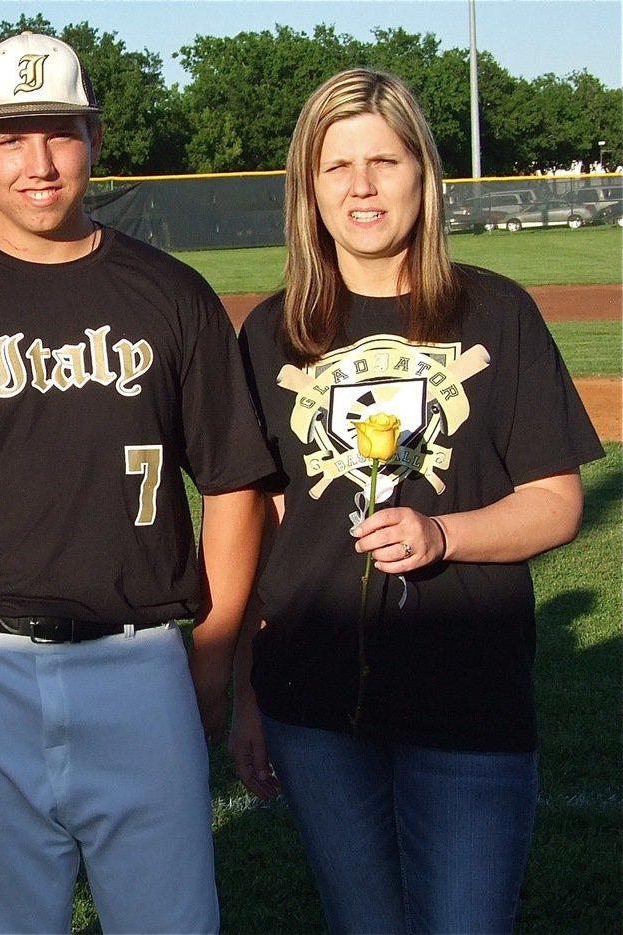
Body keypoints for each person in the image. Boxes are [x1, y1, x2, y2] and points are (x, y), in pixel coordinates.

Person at [0, 31, 273, 934]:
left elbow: (233, 486)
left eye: (59, 133)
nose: (37, 163)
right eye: (9, 136)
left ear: (96, 137)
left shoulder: (173, 296)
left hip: (141, 656)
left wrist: (212, 654)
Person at [231, 68, 604, 934]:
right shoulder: (270, 333)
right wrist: (250, 693)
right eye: (338, 167)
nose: (362, 186)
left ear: (422, 175)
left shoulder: (495, 315)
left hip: (466, 697)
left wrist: (444, 533)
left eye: (385, 161)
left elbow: (555, 501)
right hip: (313, 704)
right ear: (308, 190)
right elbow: (264, 526)